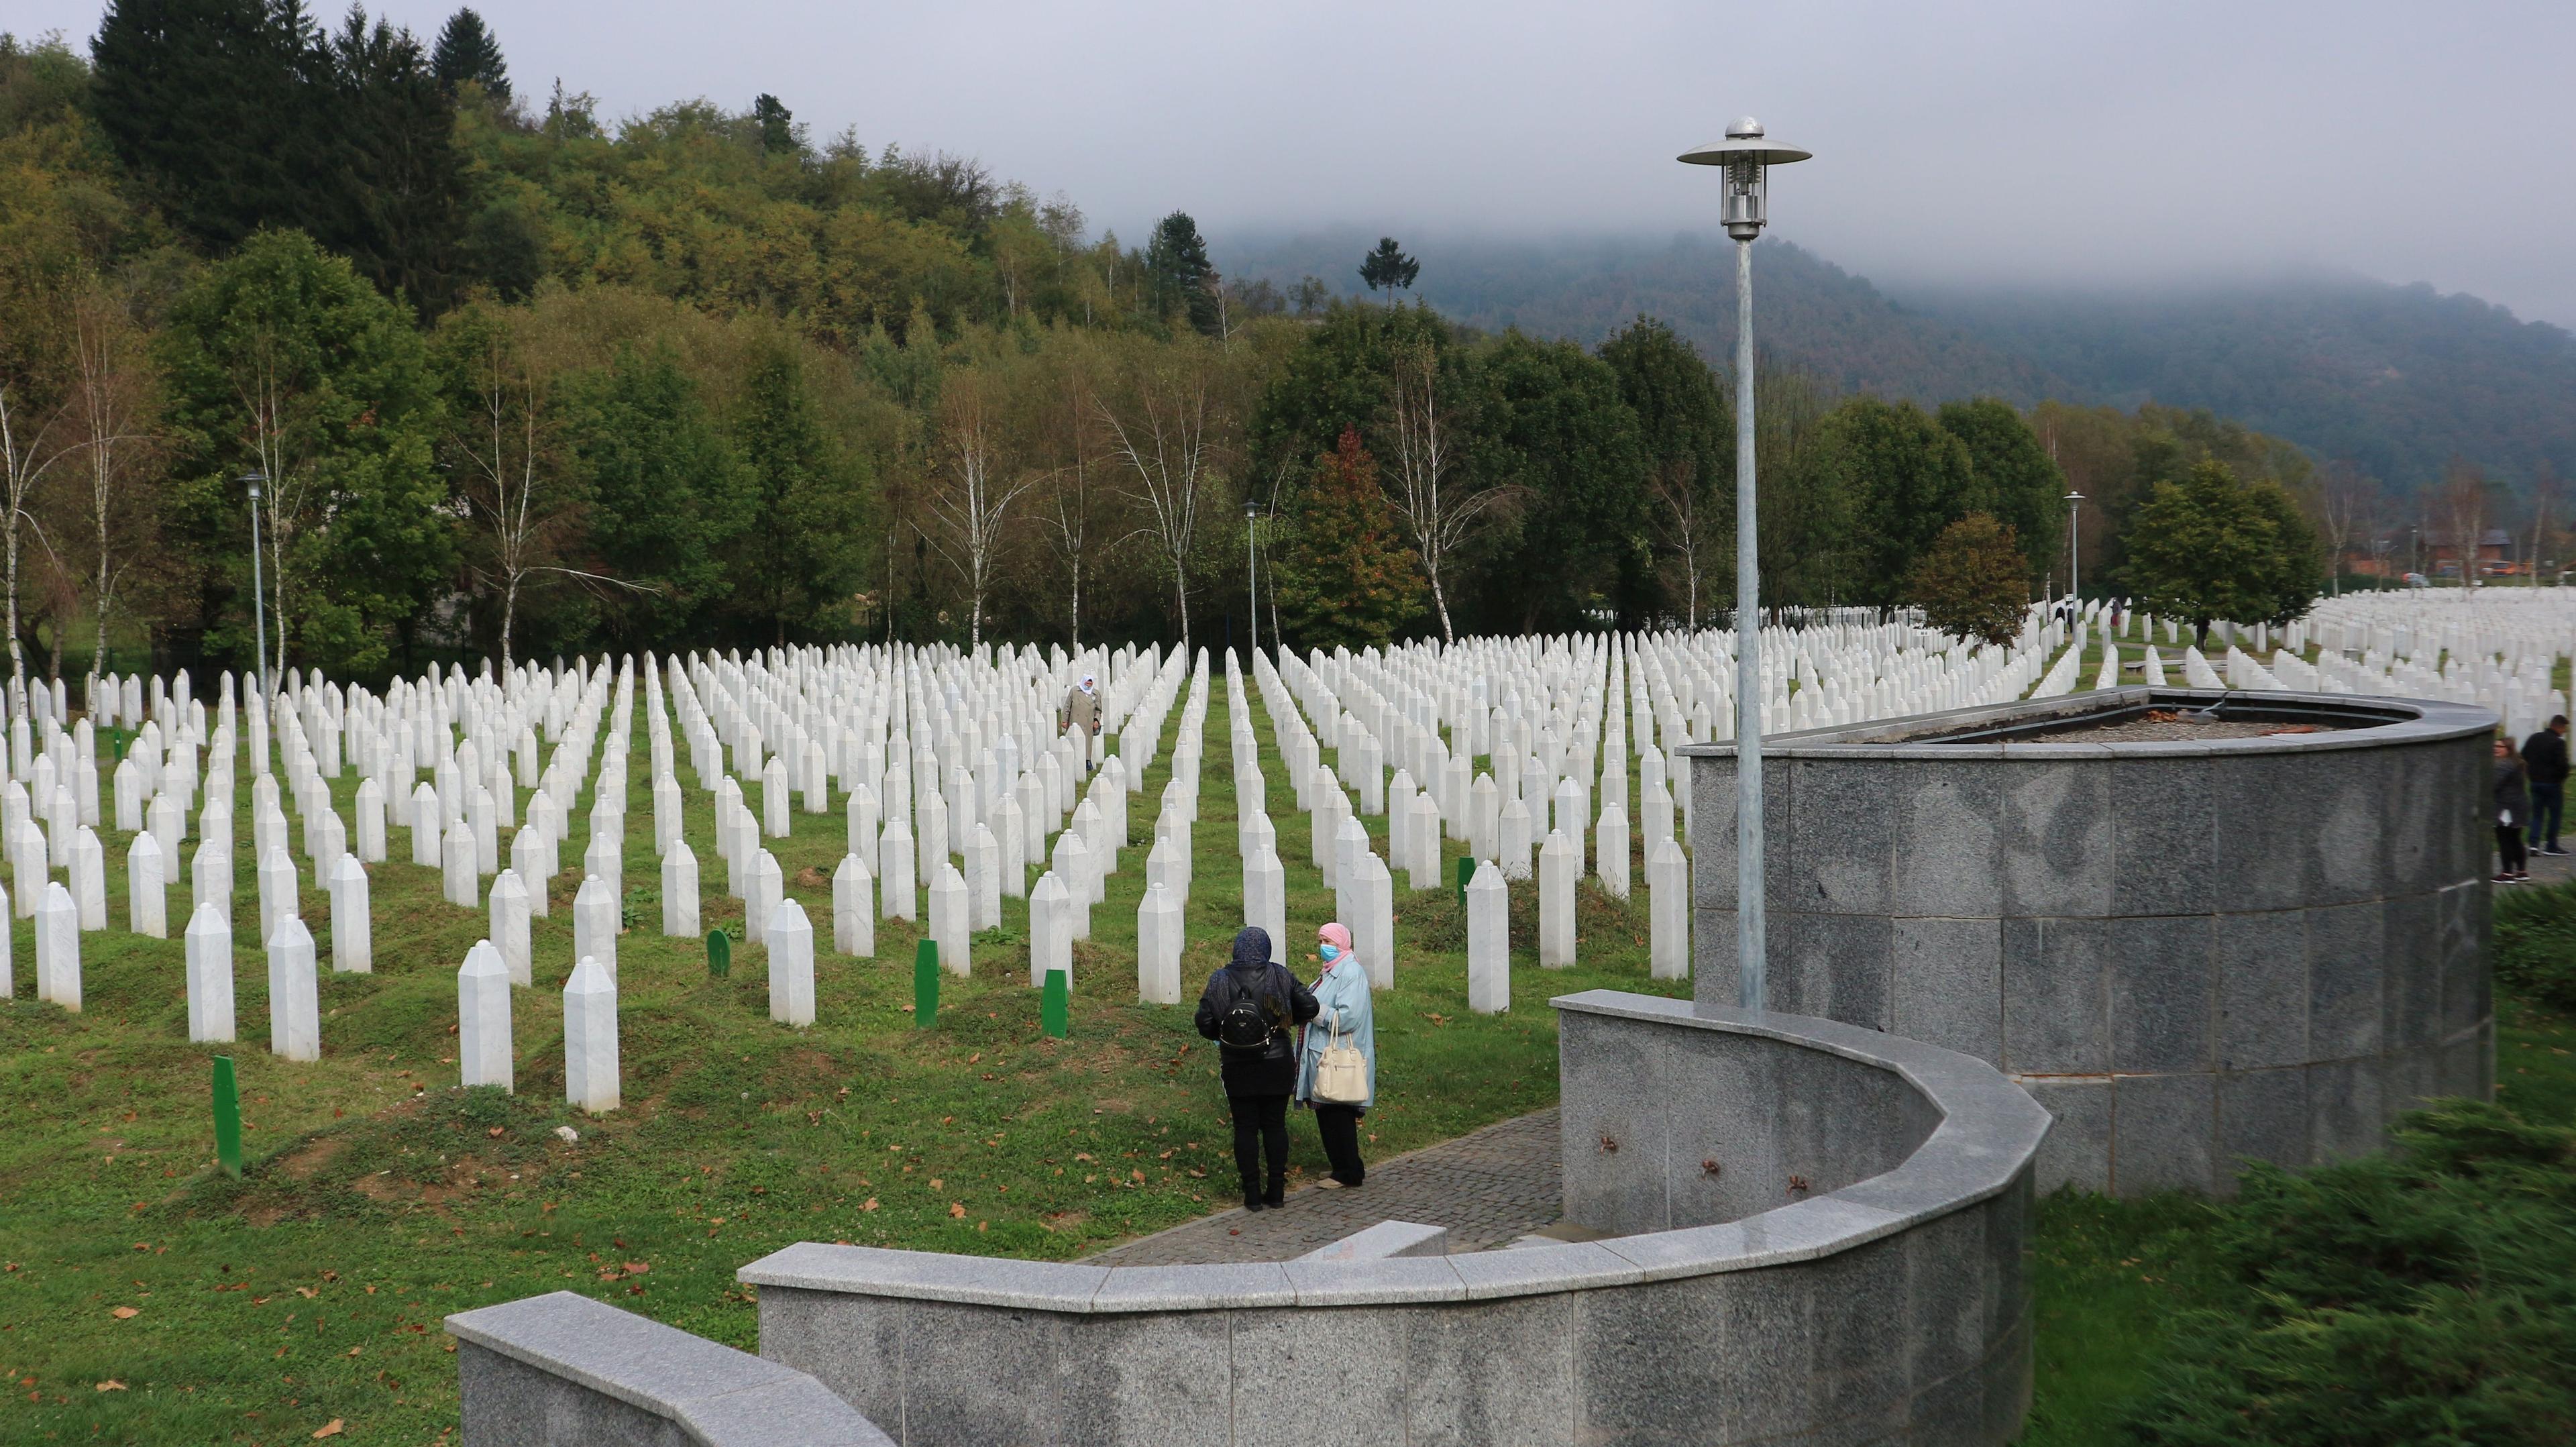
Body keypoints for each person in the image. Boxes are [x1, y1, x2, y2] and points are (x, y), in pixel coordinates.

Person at [1194, 926, 1317, 1211]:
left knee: (1245, 1128)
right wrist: (1285, 1021)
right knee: (1275, 1125)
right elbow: (1309, 1006)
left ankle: (1251, 1193)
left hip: (1237, 1063)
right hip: (1277, 1060)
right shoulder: (1280, 975)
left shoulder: (1219, 980)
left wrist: (1228, 1036)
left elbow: (1204, 1022)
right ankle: (1276, 1190)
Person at [1295, 922, 1377, 1189]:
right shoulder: (1331, 971)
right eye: (1320, 941)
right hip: (1325, 1055)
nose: (1323, 947)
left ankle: (1347, 1173)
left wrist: (1316, 1012)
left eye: (1329, 942)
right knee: (1328, 1114)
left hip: (1339, 1058)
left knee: (1338, 1114)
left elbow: (1349, 1017)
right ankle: (1344, 1166)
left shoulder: (1350, 972)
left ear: (1342, 944)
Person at [2522, 714, 2569, 857]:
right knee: (2554, 815)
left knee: (2537, 815)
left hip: (2535, 782)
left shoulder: (2535, 737)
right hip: (2553, 784)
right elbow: (2562, 765)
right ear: (2559, 727)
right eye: (2564, 729)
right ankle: (2551, 845)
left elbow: (2524, 754)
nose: (2564, 732)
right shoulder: (2558, 743)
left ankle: (2534, 845)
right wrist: (2561, 777)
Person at [2493, 735, 2530, 884]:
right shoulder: (2516, 763)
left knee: (2504, 840)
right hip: (2518, 806)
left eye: (2499, 747)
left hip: (2506, 808)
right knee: (2515, 839)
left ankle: (2507, 873)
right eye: (2494, 746)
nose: (2495, 749)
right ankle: (2521, 871)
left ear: (2508, 749)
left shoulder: (2504, 765)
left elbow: (2493, 785)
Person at [1059, 674, 1099, 773]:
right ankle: (1072, 761)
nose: (1089, 684)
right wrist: (1065, 720)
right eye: (1087, 682)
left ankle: (1087, 761)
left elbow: (1098, 710)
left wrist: (1096, 720)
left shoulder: (1096, 694)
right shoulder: (1075, 691)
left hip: (1088, 722)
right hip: (1075, 722)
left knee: (1087, 742)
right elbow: (1067, 706)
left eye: (1091, 682)